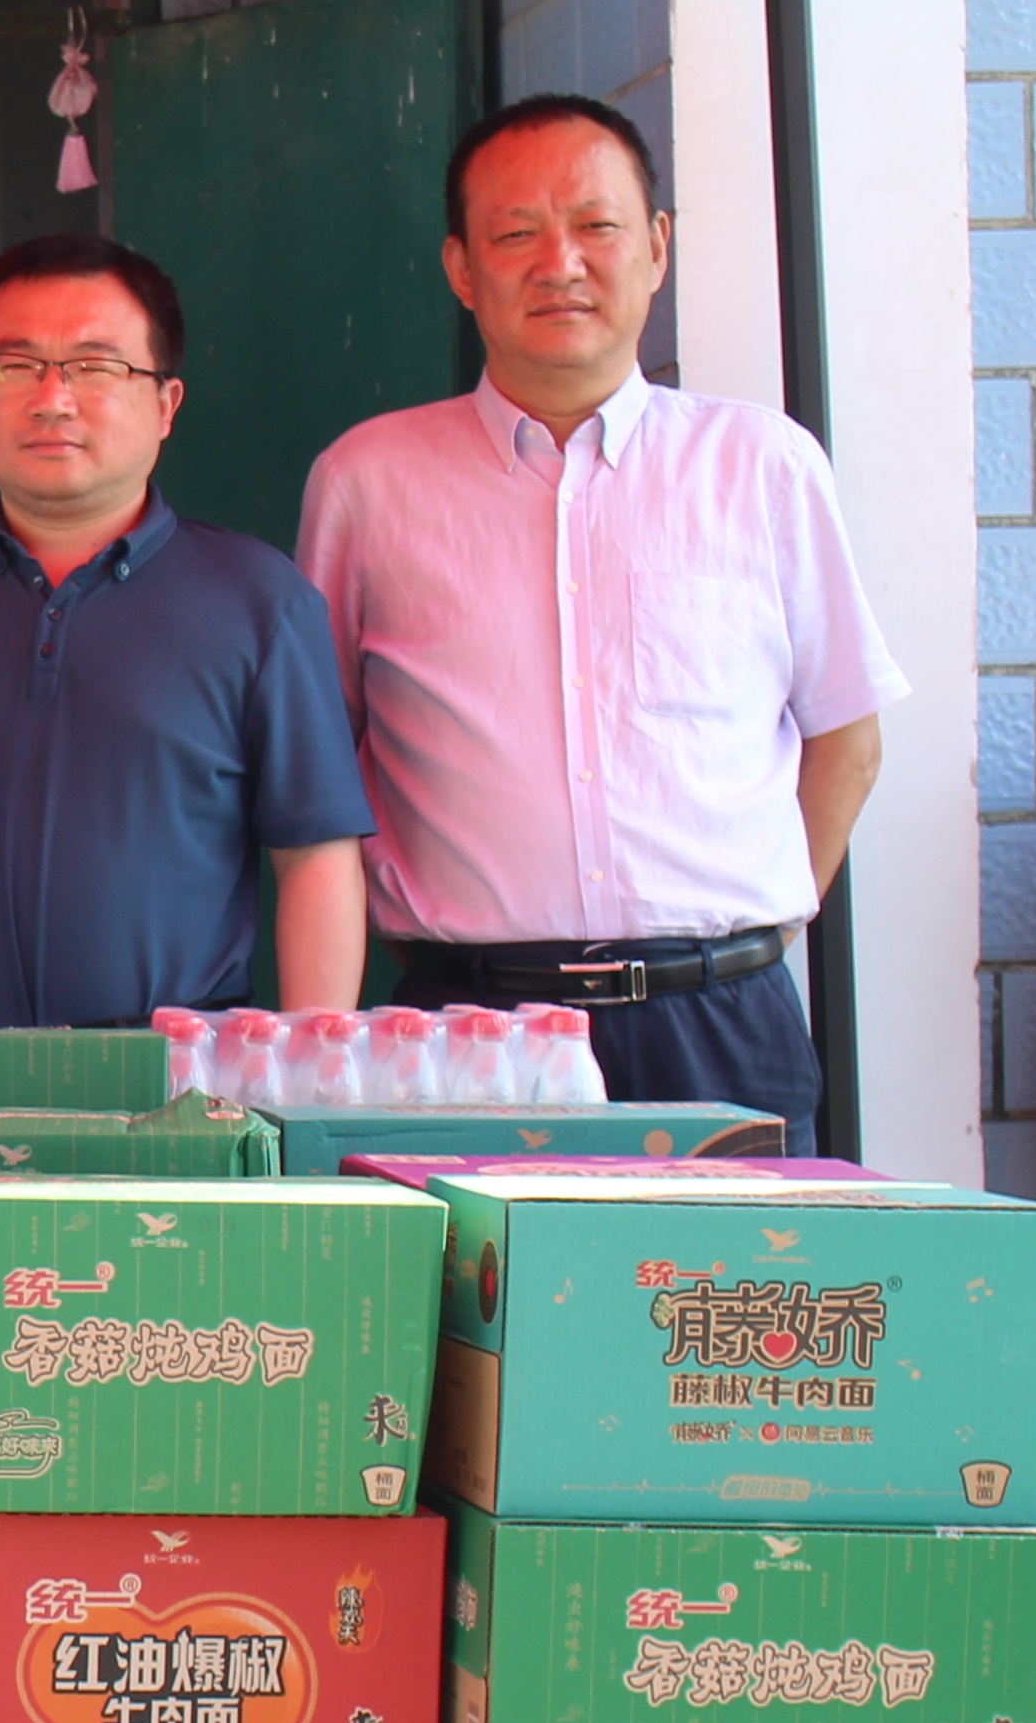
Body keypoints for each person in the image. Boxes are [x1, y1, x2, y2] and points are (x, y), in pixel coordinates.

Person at [294, 92, 900, 1151]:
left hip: (718, 1024)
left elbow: (846, 738)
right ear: (459, 268)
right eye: (515, 234)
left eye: (595, 225)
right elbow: (319, 764)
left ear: (656, 247)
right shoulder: (366, 482)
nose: (559, 263)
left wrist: (744, 924)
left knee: (731, 1265)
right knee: (470, 1271)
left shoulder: (761, 466)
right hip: (465, 1030)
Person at [0, 234, 373, 1029]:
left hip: (180, 1070)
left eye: (95, 366)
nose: (51, 398)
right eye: (12, 365)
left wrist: (307, 1068)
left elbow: (314, 856)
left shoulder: (258, 600)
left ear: (166, 403)